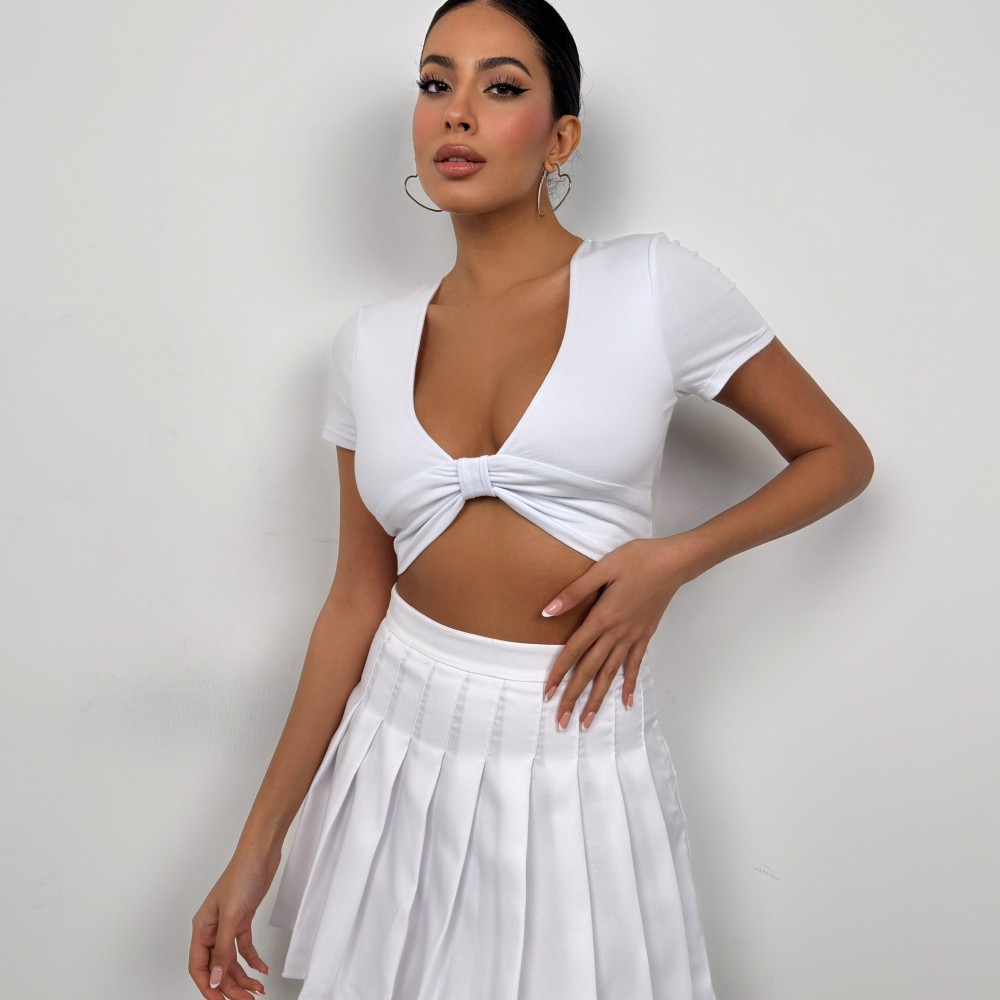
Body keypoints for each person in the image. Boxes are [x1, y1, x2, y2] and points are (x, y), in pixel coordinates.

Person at [188, 1, 874, 998]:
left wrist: (676, 559)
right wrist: (256, 848)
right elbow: (352, 601)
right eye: (436, 84)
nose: (457, 112)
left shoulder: (652, 285)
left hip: (573, 740)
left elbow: (836, 456)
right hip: (396, 743)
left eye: (500, 86)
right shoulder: (368, 344)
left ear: (560, 139)